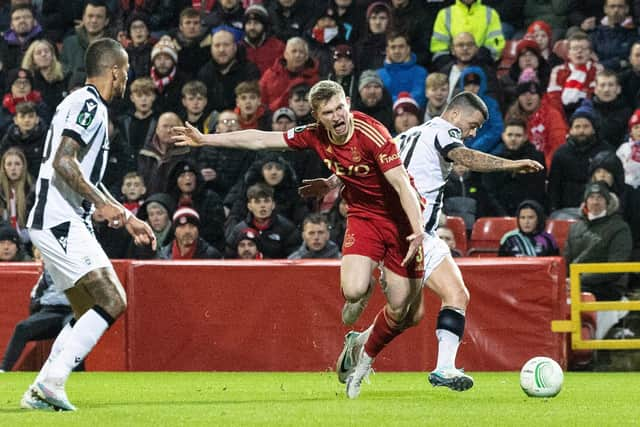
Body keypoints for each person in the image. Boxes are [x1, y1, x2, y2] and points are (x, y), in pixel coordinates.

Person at [172, 80, 427, 399]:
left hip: (403, 219)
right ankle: (363, 347)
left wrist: (417, 229)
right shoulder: (314, 135)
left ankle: (359, 343)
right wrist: (205, 138)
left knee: (405, 309)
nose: (337, 117)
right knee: (353, 290)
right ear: (317, 117)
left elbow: (402, 184)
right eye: (328, 113)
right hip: (363, 216)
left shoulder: (373, 133)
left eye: (340, 108)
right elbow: (260, 140)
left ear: (347, 103)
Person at [22, 38, 155, 412]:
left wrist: (125, 215)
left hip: (61, 217)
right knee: (113, 299)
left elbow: (82, 173)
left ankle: (42, 388)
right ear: (115, 69)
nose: (127, 77)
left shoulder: (86, 105)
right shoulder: (87, 103)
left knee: (88, 311)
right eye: (126, 70)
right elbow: (65, 162)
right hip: (59, 218)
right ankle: (49, 385)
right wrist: (102, 206)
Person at [392, 91, 543, 392]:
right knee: (403, 313)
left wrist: (333, 182)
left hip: (414, 233)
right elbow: (464, 156)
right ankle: (362, 347)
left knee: (453, 297)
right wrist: (511, 164)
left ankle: (444, 368)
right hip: (411, 233)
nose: (472, 133)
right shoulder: (444, 131)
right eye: (472, 125)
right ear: (456, 115)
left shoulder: (405, 136)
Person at [0, 270, 75, 373]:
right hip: (51, 309)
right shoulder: (49, 269)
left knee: (72, 328)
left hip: (76, 309)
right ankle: (4, 369)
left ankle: (75, 372)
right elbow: (37, 293)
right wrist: (36, 313)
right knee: (23, 327)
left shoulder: (85, 266)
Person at [225, 183, 301, 259]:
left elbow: (294, 259)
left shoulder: (287, 229)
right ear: (249, 206)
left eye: (266, 201)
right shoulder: (239, 230)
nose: (262, 206)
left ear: (273, 205)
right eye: (257, 202)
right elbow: (229, 258)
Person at [0, 101, 46, 179]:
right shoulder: (8, 139)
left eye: (31, 116)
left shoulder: (45, 137)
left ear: (37, 119)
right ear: (15, 120)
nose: (26, 120)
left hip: (39, 181)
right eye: (22, 116)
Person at [157, 207, 222, 260]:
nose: (187, 231)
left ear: (198, 230)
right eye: (182, 227)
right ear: (174, 231)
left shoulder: (212, 256)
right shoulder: (163, 256)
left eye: (192, 226)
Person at [0, 147, 33, 242]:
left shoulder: (32, 189)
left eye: (17, 164)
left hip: (28, 236)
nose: (13, 168)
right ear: (4, 167)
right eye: (9, 164)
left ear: (23, 166)